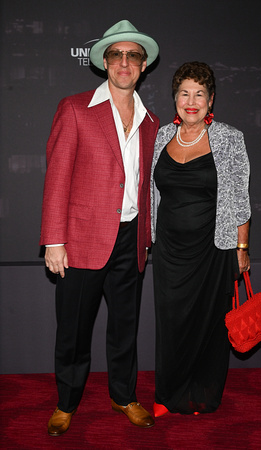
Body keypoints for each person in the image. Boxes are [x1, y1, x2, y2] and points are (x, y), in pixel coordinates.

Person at [40, 20, 160, 435]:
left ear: (143, 66)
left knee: (125, 327)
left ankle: (123, 395)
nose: (124, 62)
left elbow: (146, 187)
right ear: (104, 62)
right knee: (73, 330)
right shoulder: (75, 109)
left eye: (132, 56)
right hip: (82, 239)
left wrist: (147, 238)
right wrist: (54, 240)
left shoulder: (151, 122)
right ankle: (66, 402)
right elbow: (57, 177)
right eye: (116, 55)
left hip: (131, 238)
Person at [150, 61, 251, 416]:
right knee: (172, 324)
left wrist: (241, 248)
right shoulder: (161, 136)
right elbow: (151, 192)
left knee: (208, 326)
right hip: (168, 253)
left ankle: (201, 392)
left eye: (199, 94)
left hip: (212, 251)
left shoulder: (229, 138)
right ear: (175, 98)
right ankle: (169, 393)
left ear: (211, 100)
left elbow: (240, 197)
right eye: (184, 93)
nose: (191, 101)